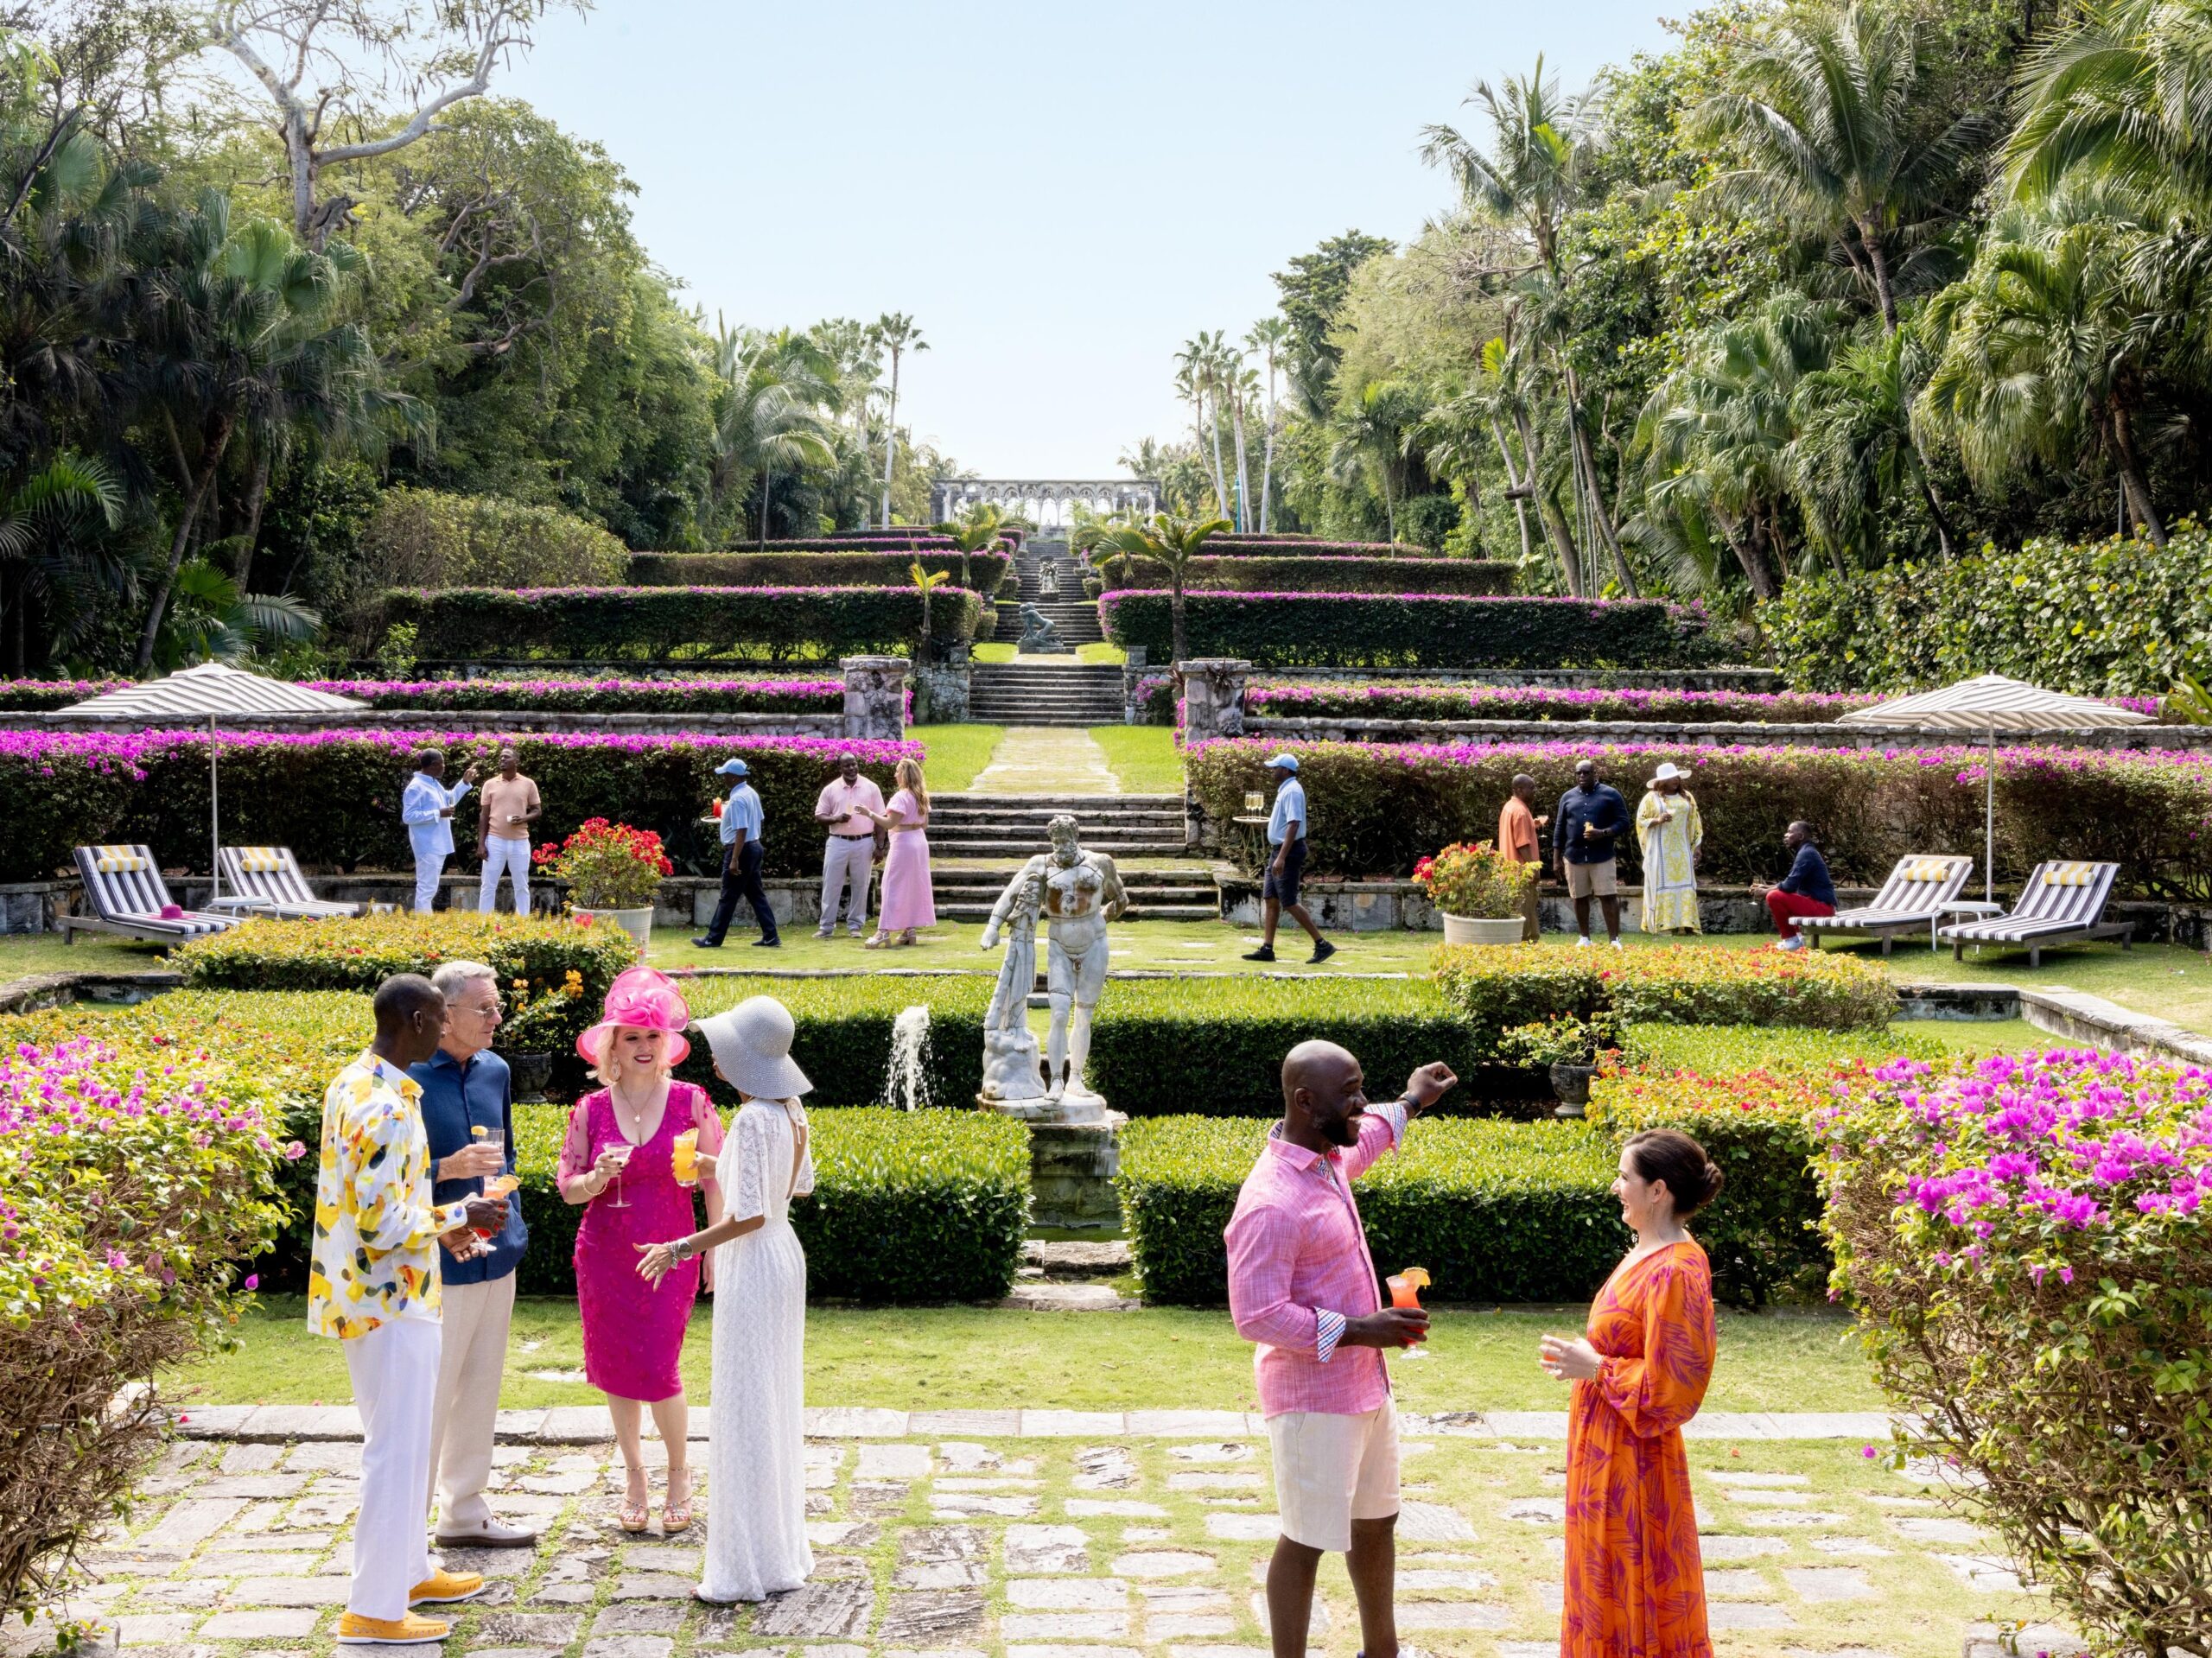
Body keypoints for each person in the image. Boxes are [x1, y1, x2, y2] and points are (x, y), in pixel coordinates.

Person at [1225, 1041, 1460, 1658]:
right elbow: (1256, 1314)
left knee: (1377, 1520)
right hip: (1312, 1401)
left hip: (1366, 1387)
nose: (1360, 1102)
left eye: (1361, 1088)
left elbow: (1371, 1136)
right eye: (1349, 1091)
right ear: (1306, 1101)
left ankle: (1381, 1651)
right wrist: (1362, 1328)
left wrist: (1411, 1099)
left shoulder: (1327, 1158)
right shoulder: (1270, 1202)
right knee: (1304, 1540)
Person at [313, 975, 506, 1648]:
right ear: (420, 1017)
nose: (443, 1028)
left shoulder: (358, 1081)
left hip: (375, 1292)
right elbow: (380, 1220)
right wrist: (463, 1211)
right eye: (438, 1017)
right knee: (396, 1453)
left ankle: (410, 1570)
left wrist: (438, 1226)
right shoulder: (385, 1105)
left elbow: (384, 1202)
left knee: (400, 1441)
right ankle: (373, 1608)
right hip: (389, 1301)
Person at [638, 995, 816, 1604]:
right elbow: (791, 1185)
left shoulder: (755, 1118)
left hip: (756, 1259)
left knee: (745, 1403)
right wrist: (721, 1160)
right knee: (771, 1398)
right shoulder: (788, 1109)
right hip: (783, 1254)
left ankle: (745, 1565)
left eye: (723, 1051)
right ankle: (777, 1548)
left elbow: (749, 1212)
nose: (715, 1060)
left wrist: (680, 1245)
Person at [1540, 1129, 1722, 1658]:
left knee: (1628, 1576)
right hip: (1604, 1445)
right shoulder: (1648, 1250)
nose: (1616, 1187)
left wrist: (1595, 1366)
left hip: (1633, 1458)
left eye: (1625, 1177)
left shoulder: (1677, 1271)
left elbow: (1675, 1387)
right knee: (1600, 1578)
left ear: (1658, 1190)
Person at [556, 969, 726, 1534]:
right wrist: (596, 1179)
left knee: (659, 1368)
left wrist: (715, 1249)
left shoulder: (692, 1101)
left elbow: (715, 1179)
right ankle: (634, 1475)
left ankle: (679, 1473)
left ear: (667, 1043)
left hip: (671, 1253)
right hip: (604, 1256)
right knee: (615, 1371)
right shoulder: (589, 1110)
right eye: (632, 1036)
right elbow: (567, 1187)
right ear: (612, 1046)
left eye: (653, 1036)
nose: (645, 1046)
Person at [413, 960, 535, 1549]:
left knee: (482, 1385)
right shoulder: (403, 1078)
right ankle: (406, 1528)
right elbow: (380, 1176)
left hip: (496, 1250)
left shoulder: (497, 1070)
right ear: (444, 1016)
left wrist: (504, 1207)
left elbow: (504, 1156)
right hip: (437, 1258)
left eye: (495, 1005)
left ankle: (463, 1510)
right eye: (484, 1008)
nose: (497, 1016)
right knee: (432, 1393)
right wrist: (447, 1169)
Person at [1243, 754, 1335, 965]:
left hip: (1288, 852)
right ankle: (1267, 949)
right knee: (1271, 899)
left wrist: (1282, 857)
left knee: (1289, 901)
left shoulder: (1293, 791)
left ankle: (1322, 944)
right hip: (1278, 851)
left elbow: (1294, 824)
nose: (1272, 771)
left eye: (1275, 767)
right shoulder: (1286, 789)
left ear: (1285, 770)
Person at [693, 758, 779, 950]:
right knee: (756, 895)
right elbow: (757, 819)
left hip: (741, 850)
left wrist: (734, 859)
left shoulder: (738, 799)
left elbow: (741, 830)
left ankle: (713, 938)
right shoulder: (751, 793)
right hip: (754, 847)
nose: (723, 778)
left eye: (725, 775)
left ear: (733, 777)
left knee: (728, 896)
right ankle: (771, 936)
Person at [860, 756, 935, 949]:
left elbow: (888, 823)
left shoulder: (901, 797)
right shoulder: (921, 796)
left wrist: (869, 813)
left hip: (904, 843)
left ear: (905, 775)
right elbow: (924, 824)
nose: (895, 775)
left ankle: (883, 931)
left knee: (891, 885)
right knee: (912, 885)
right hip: (918, 841)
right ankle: (909, 929)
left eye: (898, 771)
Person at [1554, 758, 1630, 950]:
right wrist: (1556, 859)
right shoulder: (1567, 797)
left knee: (1608, 896)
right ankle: (1584, 938)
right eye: (1578, 772)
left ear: (1595, 774)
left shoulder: (1610, 794)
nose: (1582, 776)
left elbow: (1623, 822)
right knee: (1579, 897)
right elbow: (1560, 828)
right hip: (1574, 856)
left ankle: (1614, 940)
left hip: (1602, 855)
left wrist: (1603, 833)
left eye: (1586, 772)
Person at [813, 753, 885, 940]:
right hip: (837, 841)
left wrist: (880, 846)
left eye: (854, 764)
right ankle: (826, 926)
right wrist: (836, 818)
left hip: (864, 841)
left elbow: (880, 819)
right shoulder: (831, 789)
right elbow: (820, 815)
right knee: (831, 884)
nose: (851, 769)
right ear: (840, 768)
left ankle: (855, 926)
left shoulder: (871, 788)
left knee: (861, 884)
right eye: (847, 766)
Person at [401, 750, 481, 914]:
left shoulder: (432, 783)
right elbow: (408, 816)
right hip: (427, 844)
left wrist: (464, 782)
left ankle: (424, 923)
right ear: (433, 765)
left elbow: (449, 799)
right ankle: (423, 926)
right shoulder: (416, 787)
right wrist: (438, 813)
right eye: (442, 763)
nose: (444, 767)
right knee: (427, 888)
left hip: (437, 843)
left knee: (430, 887)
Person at [1636, 762, 1704, 935]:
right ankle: (1665, 925)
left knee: (1686, 884)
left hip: (1681, 849)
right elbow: (1640, 821)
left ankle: (1687, 924)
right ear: (1662, 781)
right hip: (1660, 851)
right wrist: (1658, 820)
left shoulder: (1687, 797)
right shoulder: (1651, 798)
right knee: (1663, 883)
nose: (1675, 780)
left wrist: (1697, 847)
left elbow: (1695, 822)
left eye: (1676, 777)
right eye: (1671, 778)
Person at [475, 746, 541, 916]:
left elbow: (537, 810)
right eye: (500, 757)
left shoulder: (528, 784)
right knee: (488, 884)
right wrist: (481, 844)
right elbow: (484, 815)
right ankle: (484, 922)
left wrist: (523, 818)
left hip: (520, 842)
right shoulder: (489, 784)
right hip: (495, 840)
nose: (502, 760)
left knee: (521, 884)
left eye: (506, 757)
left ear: (516, 762)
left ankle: (523, 921)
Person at [1754, 819, 1836, 951]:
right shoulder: (1806, 851)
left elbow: (1789, 886)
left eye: (1789, 832)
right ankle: (1797, 939)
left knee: (1774, 896)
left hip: (1823, 908)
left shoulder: (1806, 853)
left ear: (1801, 836)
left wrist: (1766, 892)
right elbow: (1789, 883)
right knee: (1777, 894)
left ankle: (1791, 940)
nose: (1785, 835)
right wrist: (1766, 888)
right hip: (1819, 905)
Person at [1497, 773, 1549, 942]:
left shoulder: (1510, 807)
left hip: (1510, 872)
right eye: (1532, 788)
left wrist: (1534, 824)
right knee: (1524, 912)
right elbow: (1522, 844)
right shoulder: (1520, 811)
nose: (1535, 791)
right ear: (1519, 789)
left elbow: (1517, 832)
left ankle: (1528, 943)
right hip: (1522, 873)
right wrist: (1533, 868)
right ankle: (1524, 946)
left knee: (1522, 910)